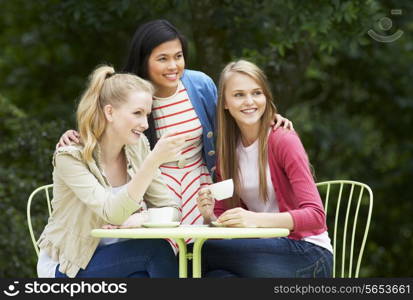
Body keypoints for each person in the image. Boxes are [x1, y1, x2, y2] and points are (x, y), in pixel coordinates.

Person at [57, 20, 293, 239]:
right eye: (162, 59)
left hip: (199, 182)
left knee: (202, 252)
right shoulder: (131, 93)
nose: (173, 66)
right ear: (144, 60)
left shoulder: (199, 85)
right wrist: (76, 134)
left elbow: (233, 117)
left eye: (178, 56)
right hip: (155, 189)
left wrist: (268, 118)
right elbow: (106, 122)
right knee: (165, 251)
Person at [37, 65, 188, 278]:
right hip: (68, 265)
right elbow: (113, 213)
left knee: (142, 277)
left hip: (119, 260)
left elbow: (171, 208)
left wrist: (142, 218)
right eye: (137, 113)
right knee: (155, 250)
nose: (145, 124)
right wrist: (153, 161)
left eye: (147, 115)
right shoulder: (70, 157)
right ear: (110, 112)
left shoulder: (138, 147)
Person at [196, 60, 333, 277]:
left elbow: (316, 216)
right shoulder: (228, 152)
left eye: (256, 93)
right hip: (265, 251)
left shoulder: (282, 140)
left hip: (307, 254)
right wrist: (209, 217)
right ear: (224, 103)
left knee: (198, 253)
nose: (249, 101)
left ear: (266, 97)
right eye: (239, 95)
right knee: (217, 277)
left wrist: (254, 219)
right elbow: (223, 218)